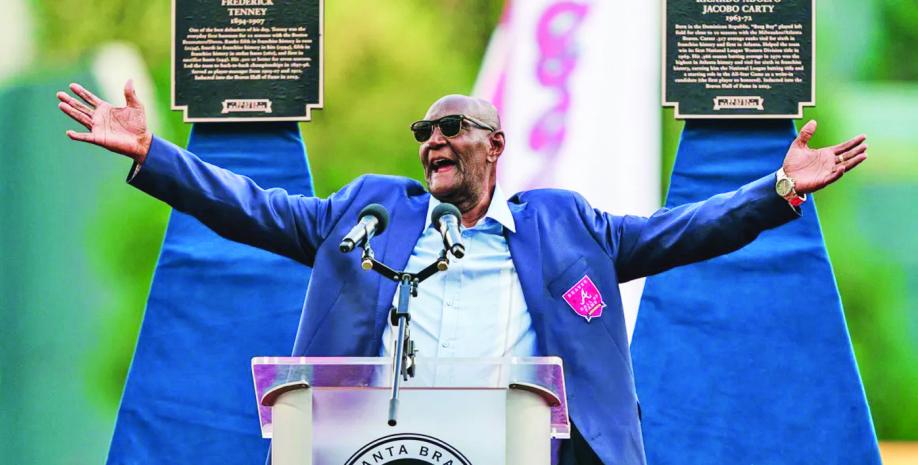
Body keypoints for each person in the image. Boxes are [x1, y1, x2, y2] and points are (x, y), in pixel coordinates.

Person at [57, 81, 867, 465]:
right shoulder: (368, 216)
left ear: (496, 145)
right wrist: (154, 155)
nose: (432, 141)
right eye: (423, 131)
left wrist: (780, 187)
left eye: (451, 127)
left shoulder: (565, 227)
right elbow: (253, 207)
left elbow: (686, 229)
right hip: (387, 451)